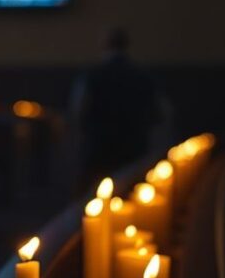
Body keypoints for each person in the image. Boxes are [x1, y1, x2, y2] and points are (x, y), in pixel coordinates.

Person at [69, 28, 167, 190]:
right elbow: (160, 113)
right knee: (129, 193)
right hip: (134, 147)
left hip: (98, 147)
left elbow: (78, 111)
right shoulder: (143, 76)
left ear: (104, 45)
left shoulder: (92, 76)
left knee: (94, 196)